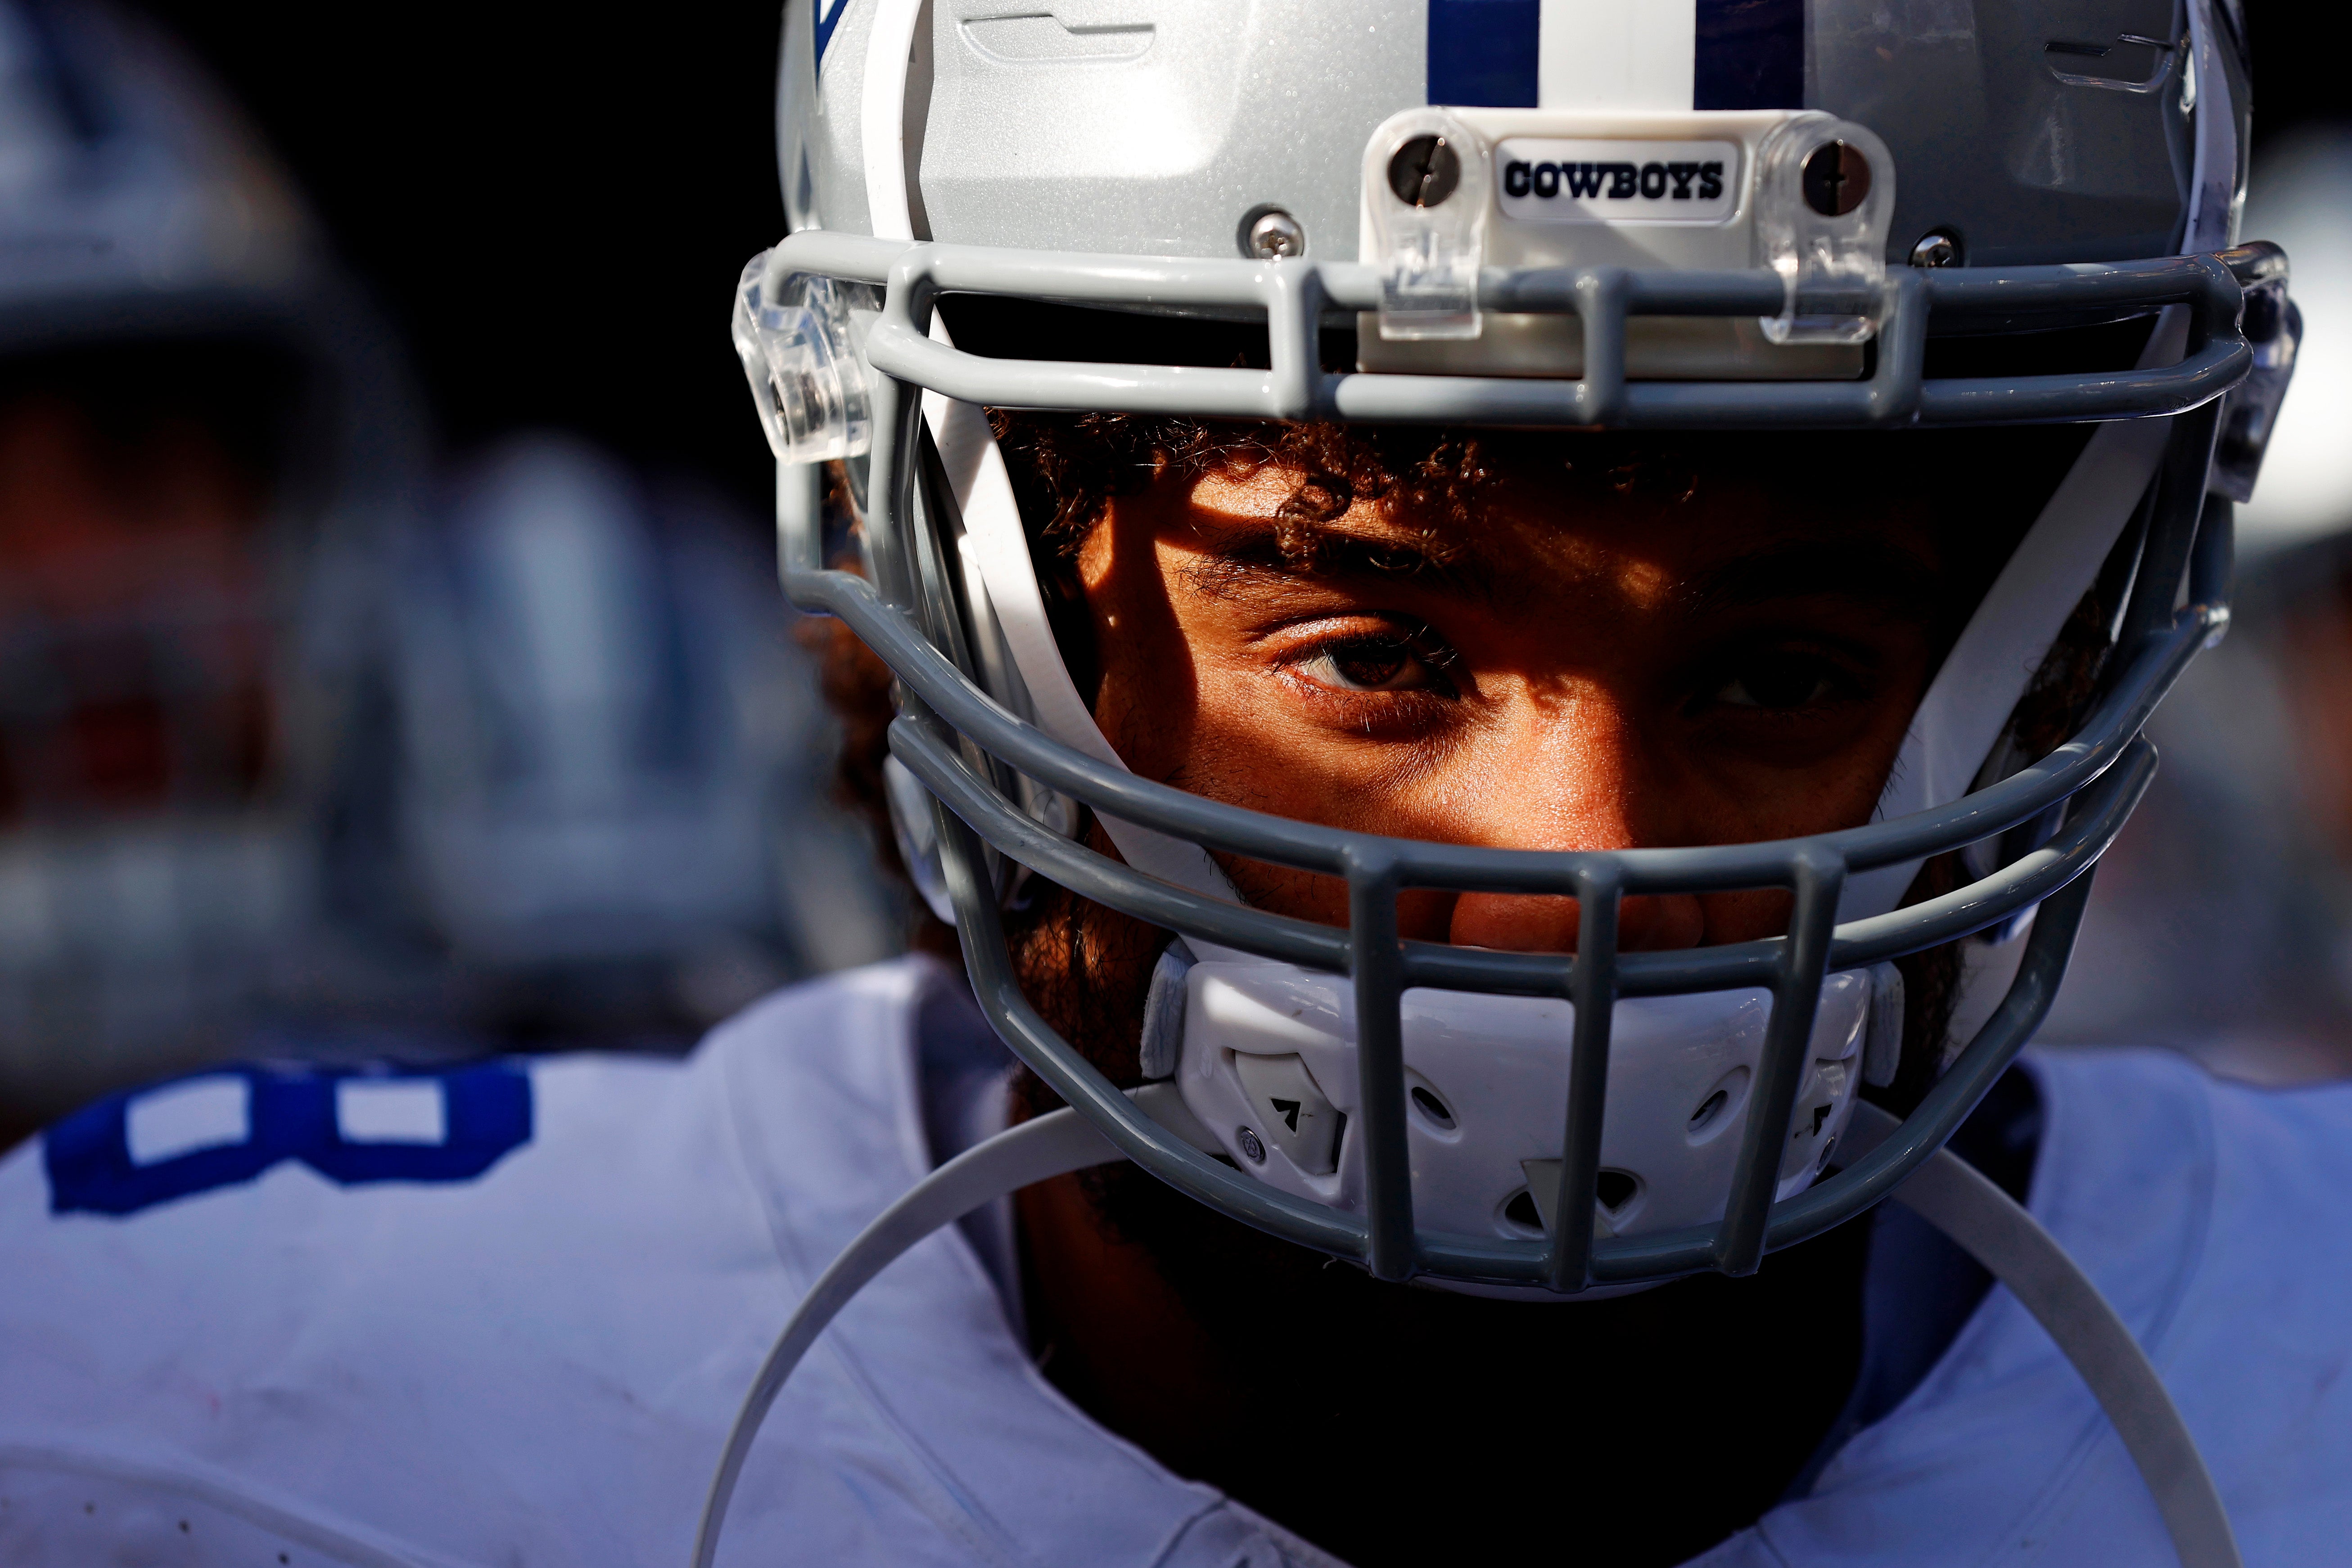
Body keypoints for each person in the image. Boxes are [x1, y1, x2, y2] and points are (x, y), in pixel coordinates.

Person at [5, 3, 2348, 1567]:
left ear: (2050, 649)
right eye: (1373, 649)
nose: (1583, 869)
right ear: (901, 576)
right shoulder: (213, 1415)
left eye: (1783, 669)